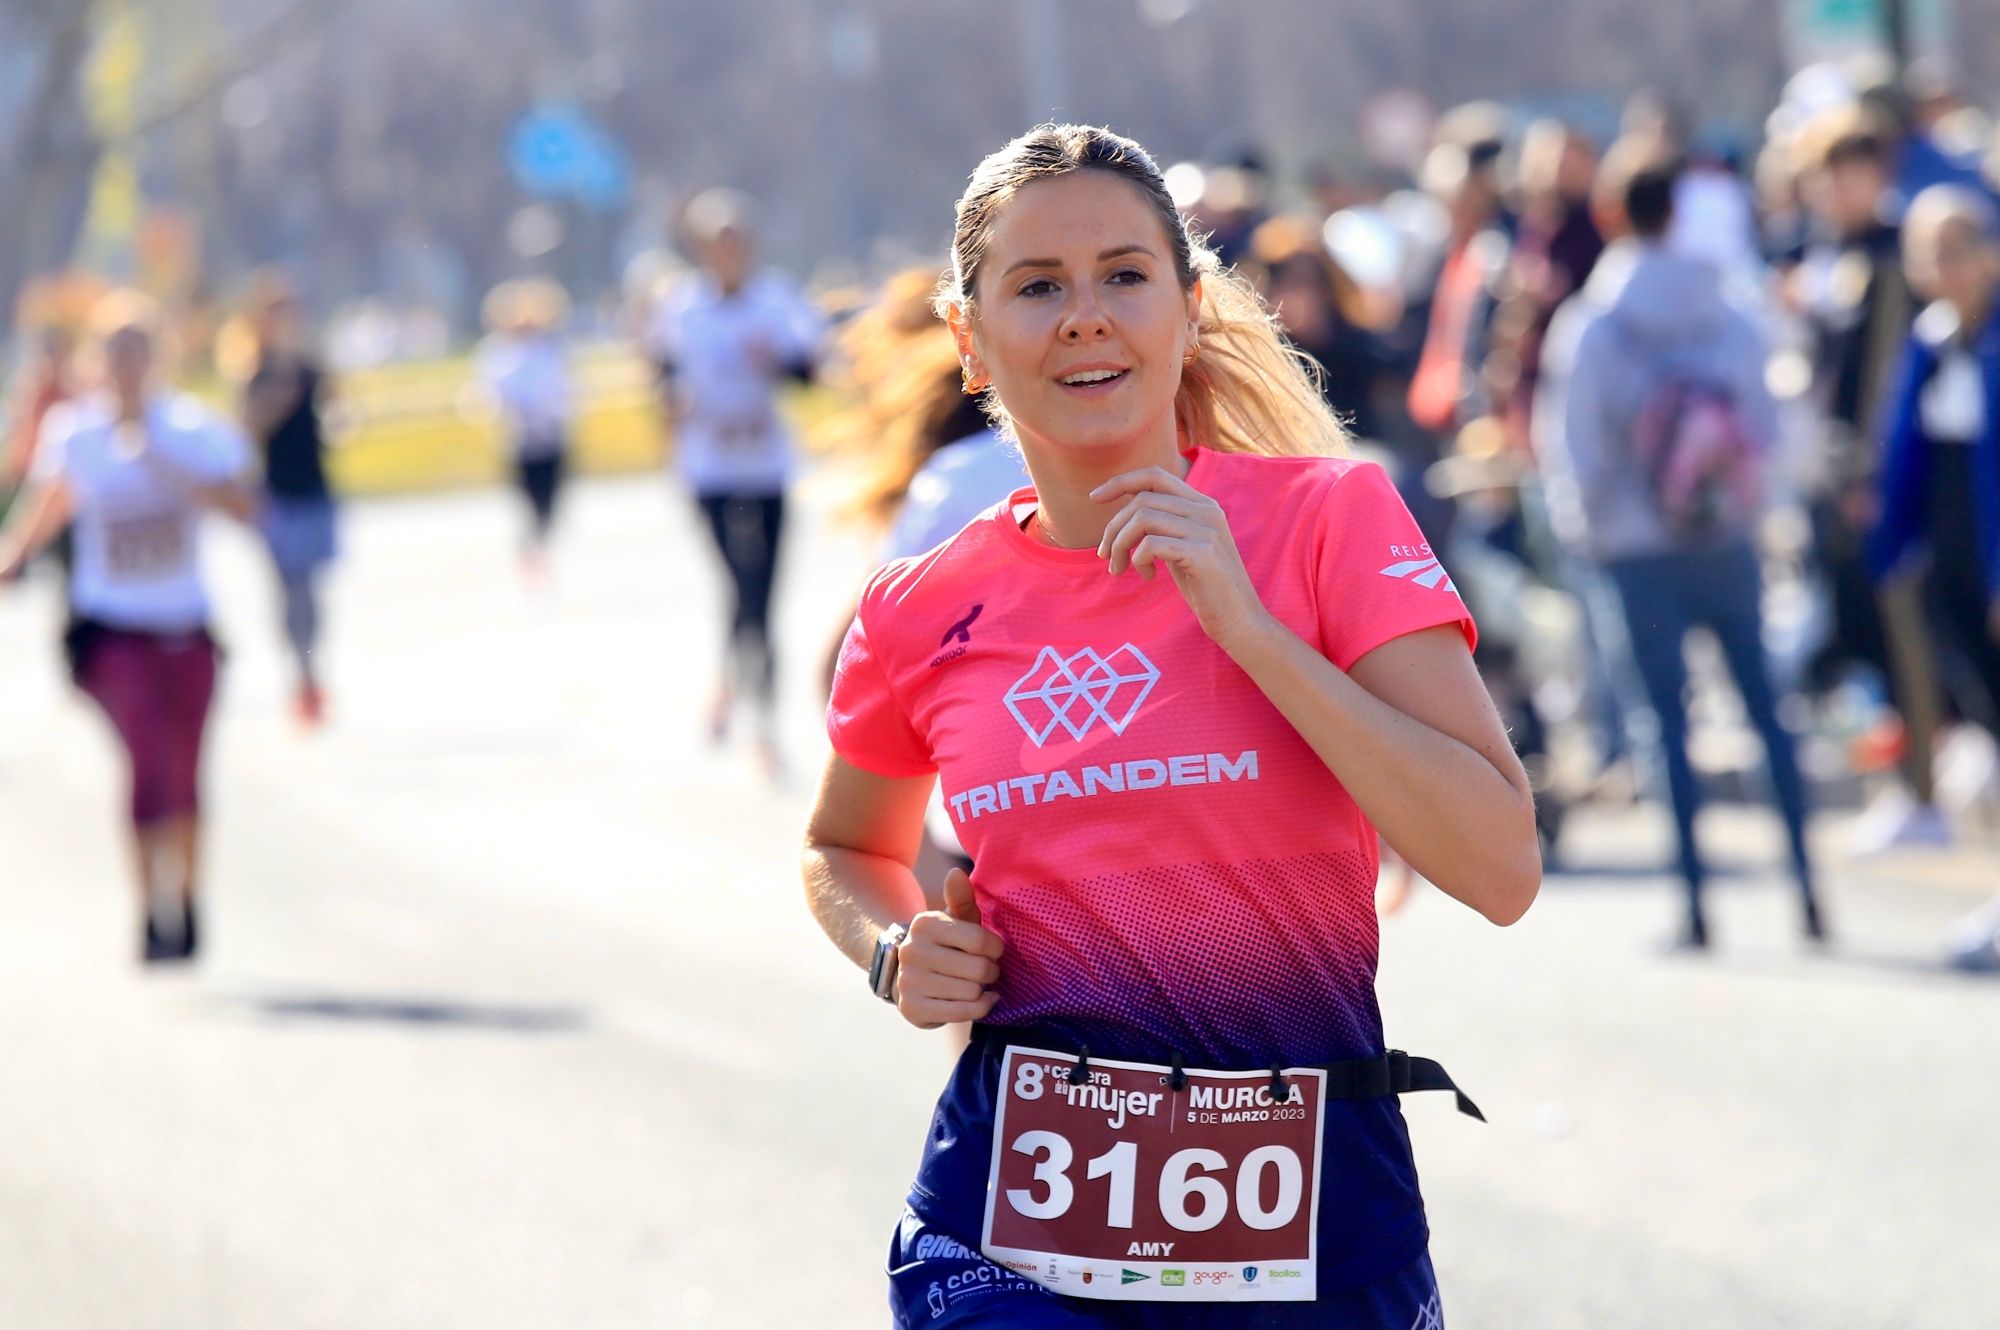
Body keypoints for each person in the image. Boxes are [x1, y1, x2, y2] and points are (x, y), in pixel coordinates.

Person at [803, 124, 1540, 1329]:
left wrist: (1250, 631)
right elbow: (841, 845)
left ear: (1188, 310)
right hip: (1013, 1229)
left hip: (1305, 1227)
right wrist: (891, 949)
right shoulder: (918, 606)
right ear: (967, 340)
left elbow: (1499, 865)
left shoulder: (1327, 519)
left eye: (1123, 276)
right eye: (1036, 287)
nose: (1084, 316)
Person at [1537, 157, 1826, 951]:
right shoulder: (1730, 310)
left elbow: (1576, 451)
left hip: (1634, 548)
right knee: (1769, 712)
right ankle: (1808, 890)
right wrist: (1747, 508)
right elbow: (1768, 428)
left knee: (1665, 725)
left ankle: (1698, 905)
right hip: (1725, 537)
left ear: (1615, 214)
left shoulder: (1598, 322)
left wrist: (1590, 537)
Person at [0, 291, 255, 961]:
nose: (127, 366)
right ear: (99, 362)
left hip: (186, 627)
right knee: (146, 760)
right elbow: (48, 505)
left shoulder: (193, 429)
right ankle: (148, 907)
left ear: (160, 358)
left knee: (186, 772)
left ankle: (191, 898)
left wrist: (164, 466)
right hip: (115, 629)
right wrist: (12, 558)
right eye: (115, 354)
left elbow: (243, 506)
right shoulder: (79, 434)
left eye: (139, 352)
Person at [1866, 186, 2000, 968]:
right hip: (1950, 572)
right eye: (1928, 254)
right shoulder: (1931, 339)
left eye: (1956, 248)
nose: (1942, 268)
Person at [646, 189, 823, 770]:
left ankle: (755, 708)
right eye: (720, 244)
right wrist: (671, 406)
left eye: (739, 243)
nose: (731, 254)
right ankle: (745, 697)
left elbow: (810, 370)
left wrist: (780, 362)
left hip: (766, 464)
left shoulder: (775, 301)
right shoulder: (680, 307)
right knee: (738, 585)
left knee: (761, 594)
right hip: (711, 469)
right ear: (701, 250)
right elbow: (660, 375)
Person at [227, 271, 340, 724]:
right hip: (276, 494)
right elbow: (247, 429)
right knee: (288, 587)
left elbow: (336, 411)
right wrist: (280, 392)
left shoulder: (313, 366)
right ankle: (300, 669)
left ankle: (311, 668)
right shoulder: (255, 371)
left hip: (315, 488)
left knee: (309, 586)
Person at [475, 278, 575, 579]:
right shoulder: (497, 353)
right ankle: (531, 550)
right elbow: (488, 394)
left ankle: (539, 542)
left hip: (551, 436)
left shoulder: (550, 349)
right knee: (528, 501)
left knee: (551, 504)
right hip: (519, 440)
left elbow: (566, 389)